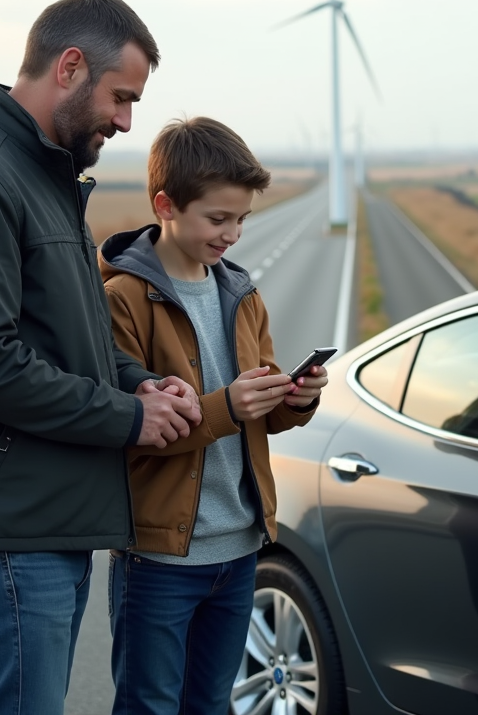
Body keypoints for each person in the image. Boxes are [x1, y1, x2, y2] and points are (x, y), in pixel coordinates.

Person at [0, 0, 203, 715]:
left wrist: (140, 384)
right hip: (7, 531)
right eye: (122, 98)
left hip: (40, 522)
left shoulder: (39, 175)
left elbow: (70, 337)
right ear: (69, 67)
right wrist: (127, 419)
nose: (126, 122)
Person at [97, 116, 327, 715]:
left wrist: (295, 399)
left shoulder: (242, 293)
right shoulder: (122, 300)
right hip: (160, 559)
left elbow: (260, 413)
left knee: (212, 705)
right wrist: (228, 407)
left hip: (241, 550)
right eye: (219, 219)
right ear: (165, 205)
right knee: (149, 706)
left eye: (242, 219)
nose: (233, 234)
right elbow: (130, 429)